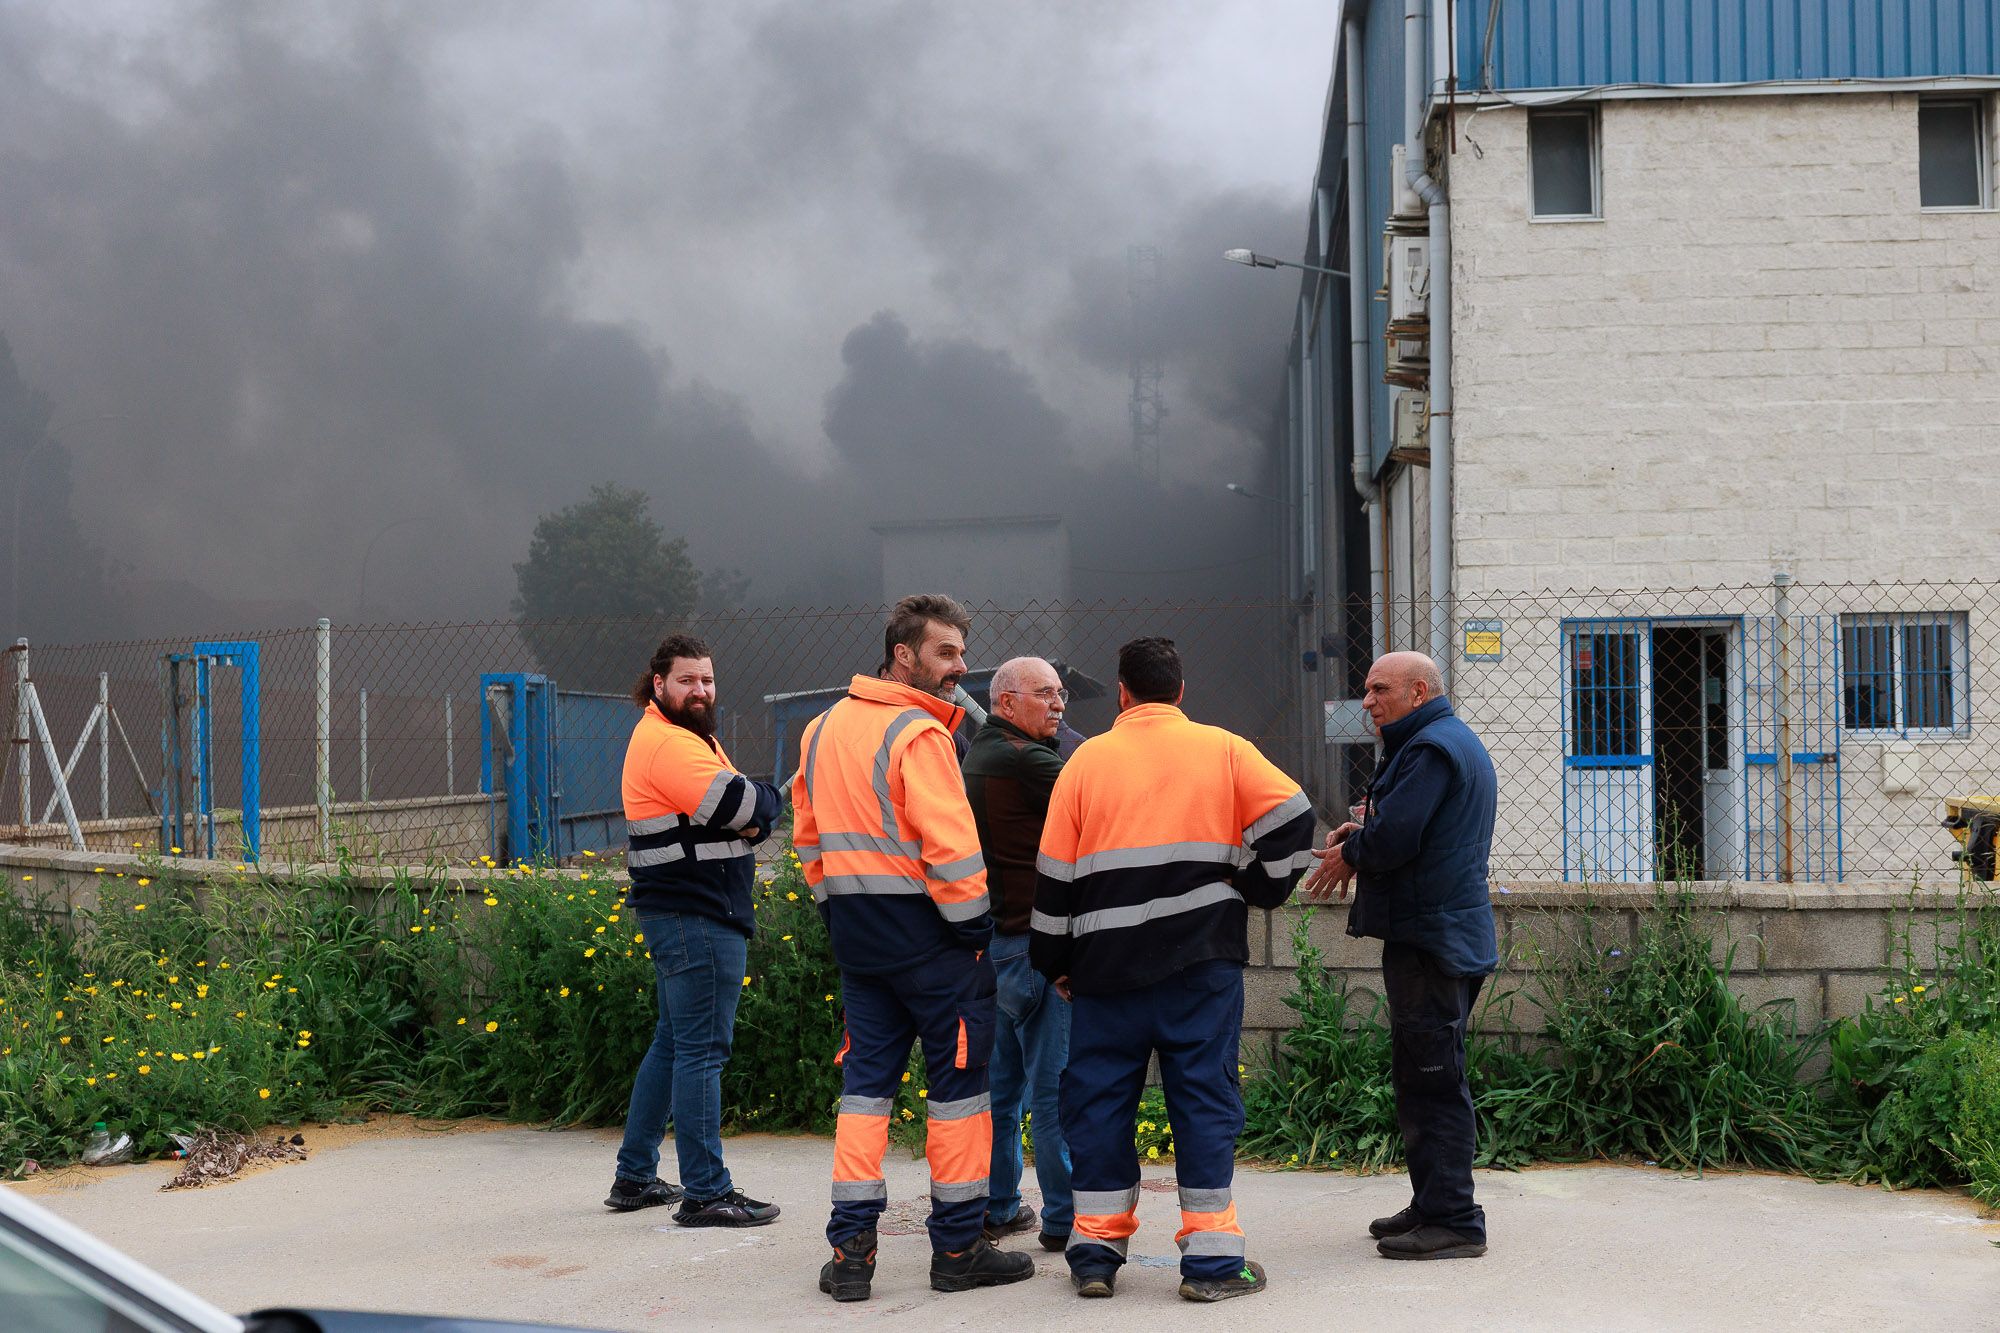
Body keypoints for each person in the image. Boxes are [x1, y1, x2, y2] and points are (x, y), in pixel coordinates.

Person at [1031, 637, 1315, 1303]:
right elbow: (1295, 818)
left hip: (1105, 972)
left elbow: (1052, 877)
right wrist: (1254, 884)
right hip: (1200, 966)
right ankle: (1214, 1262)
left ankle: (1095, 1252)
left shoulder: (1084, 761)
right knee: (1204, 1102)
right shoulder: (1224, 748)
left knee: (1098, 1103)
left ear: (1122, 693)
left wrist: (1055, 963)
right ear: (1180, 692)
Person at [793, 594, 1035, 1302]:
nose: (960, 666)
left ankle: (851, 1256)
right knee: (960, 1095)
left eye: (961, 651)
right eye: (946, 653)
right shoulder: (919, 734)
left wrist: (835, 913)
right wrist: (972, 932)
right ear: (904, 655)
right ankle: (958, 1250)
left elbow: (808, 837)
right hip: (935, 945)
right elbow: (953, 849)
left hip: (861, 943)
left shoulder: (822, 727)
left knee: (864, 1094)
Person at [1301, 650, 1498, 1262]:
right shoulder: (1435, 741)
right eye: (1366, 690)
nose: (1367, 701)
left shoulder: (1431, 749)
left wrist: (1354, 851)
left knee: (1435, 1080)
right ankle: (1432, 1202)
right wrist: (1358, 835)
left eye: (1378, 689)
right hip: (1436, 934)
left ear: (1418, 691)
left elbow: (1398, 837)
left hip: (1432, 940)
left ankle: (1456, 1222)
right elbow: (1403, 827)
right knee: (1422, 1074)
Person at [608, 633, 783, 1227]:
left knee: (674, 1043)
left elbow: (742, 811)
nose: (701, 689)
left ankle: (634, 1177)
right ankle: (706, 1191)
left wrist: (754, 813)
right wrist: (764, 807)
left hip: (684, 913)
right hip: (698, 916)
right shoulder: (671, 745)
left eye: (707, 679)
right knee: (703, 1052)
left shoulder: (685, 737)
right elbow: (749, 809)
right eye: (687, 680)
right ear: (659, 684)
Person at [962, 656, 1073, 1254]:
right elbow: (1095, 801)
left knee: (1002, 1091)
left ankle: (1000, 1206)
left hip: (997, 947)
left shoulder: (980, 752)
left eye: (1059, 695)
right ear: (1006, 703)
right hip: (1035, 946)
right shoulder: (1026, 759)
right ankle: (1063, 1219)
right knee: (1053, 1089)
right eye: (1044, 695)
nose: (1058, 705)